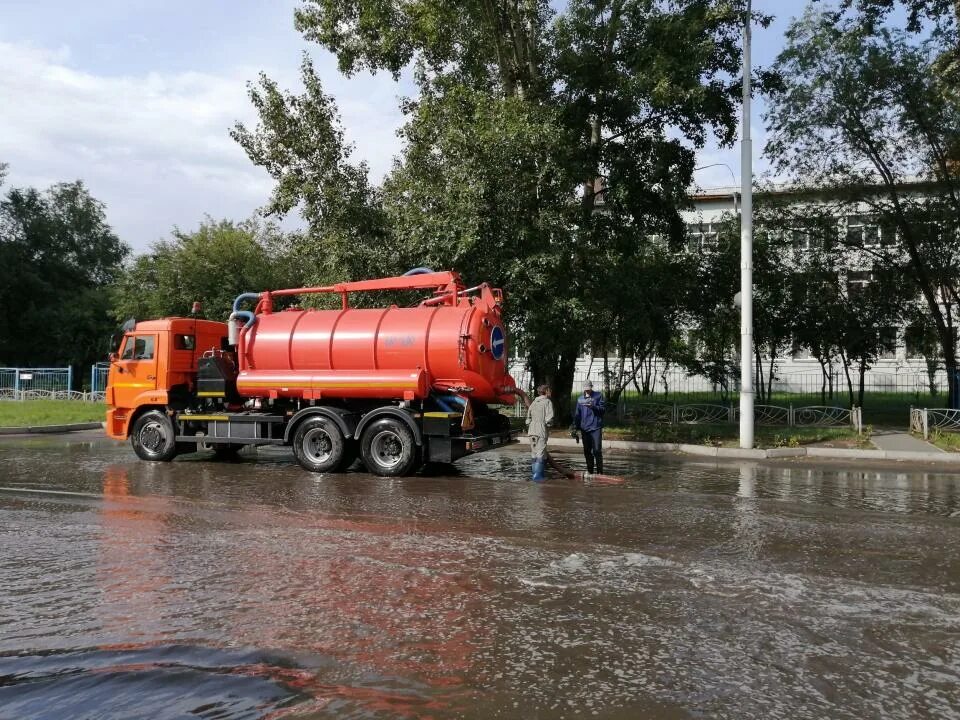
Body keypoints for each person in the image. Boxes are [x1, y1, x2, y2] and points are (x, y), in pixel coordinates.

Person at [572, 380, 604, 475]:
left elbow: (603, 410)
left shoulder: (598, 396)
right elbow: (578, 414)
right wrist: (575, 427)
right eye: (586, 389)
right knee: (587, 451)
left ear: (591, 387)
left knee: (597, 450)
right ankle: (590, 472)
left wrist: (593, 407)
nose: (587, 391)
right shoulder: (580, 399)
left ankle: (600, 473)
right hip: (584, 429)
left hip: (596, 428)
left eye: (589, 389)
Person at [525, 384, 554, 482]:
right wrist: (549, 424)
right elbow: (549, 419)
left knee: (534, 453)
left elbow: (528, 419)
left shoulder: (534, 402)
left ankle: (534, 475)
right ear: (546, 391)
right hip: (541, 430)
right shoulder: (547, 402)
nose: (550, 392)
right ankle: (538, 477)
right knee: (540, 453)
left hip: (531, 430)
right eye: (549, 390)